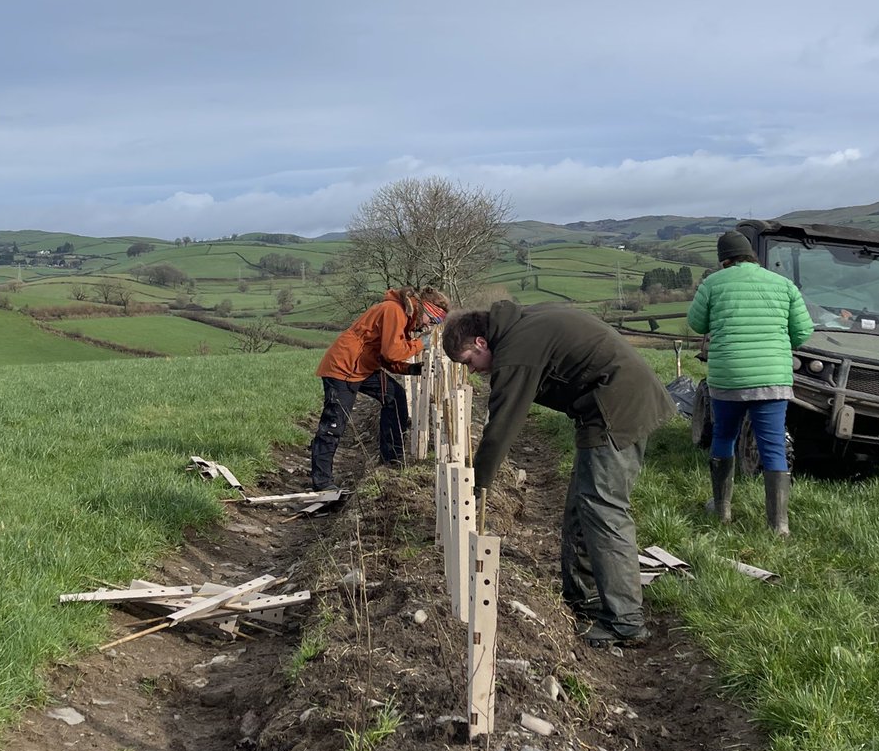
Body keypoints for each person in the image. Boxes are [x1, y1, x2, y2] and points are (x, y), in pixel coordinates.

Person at [442, 302, 675, 647]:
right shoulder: (519, 325)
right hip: (605, 403)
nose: (472, 371)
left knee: (604, 511)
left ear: (480, 342)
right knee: (582, 507)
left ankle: (625, 621)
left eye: (468, 362)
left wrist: (474, 486)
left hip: (618, 407)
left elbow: (502, 424)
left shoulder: (516, 348)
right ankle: (583, 597)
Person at [686, 229, 814, 535]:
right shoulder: (783, 285)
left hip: (728, 377)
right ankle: (779, 525)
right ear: (752, 256)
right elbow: (802, 332)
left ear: (724, 260)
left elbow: (696, 323)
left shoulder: (713, 284)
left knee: (724, 437)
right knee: (773, 446)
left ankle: (722, 509)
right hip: (772, 378)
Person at [310, 286, 450, 491]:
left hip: (363, 367)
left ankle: (391, 459)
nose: (429, 326)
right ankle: (322, 483)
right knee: (333, 424)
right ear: (426, 310)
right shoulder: (395, 311)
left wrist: (412, 369)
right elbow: (392, 352)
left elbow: (387, 355)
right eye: (434, 320)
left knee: (395, 397)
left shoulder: (403, 314)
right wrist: (420, 344)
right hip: (344, 367)